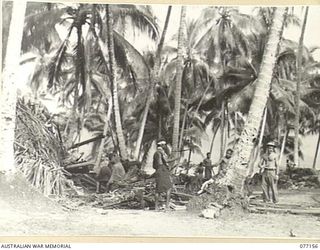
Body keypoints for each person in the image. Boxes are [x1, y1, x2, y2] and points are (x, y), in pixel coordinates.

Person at [153, 138, 173, 210]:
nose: (165, 146)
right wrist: (175, 158)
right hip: (162, 170)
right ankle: (167, 206)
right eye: (164, 145)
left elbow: (154, 166)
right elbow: (166, 160)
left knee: (158, 189)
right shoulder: (161, 152)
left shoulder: (155, 153)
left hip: (158, 170)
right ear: (161, 145)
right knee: (169, 188)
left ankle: (156, 207)